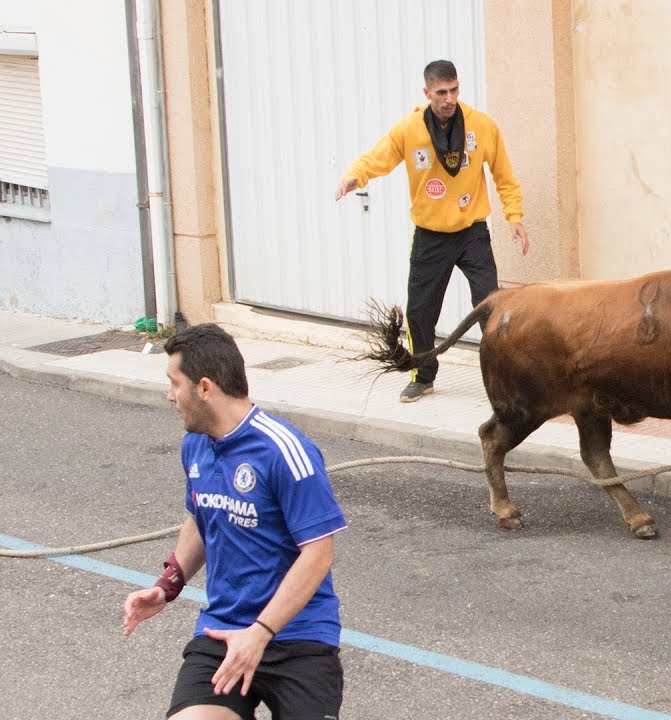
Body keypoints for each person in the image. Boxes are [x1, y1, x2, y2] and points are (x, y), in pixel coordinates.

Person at [122, 324, 348, 718]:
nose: (169, 395)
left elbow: (318, 554)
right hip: (223, 632)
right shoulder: (195, 443)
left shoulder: (285, 451)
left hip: (298, 638)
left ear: (205, 388)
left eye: (175, 383)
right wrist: (167, 586)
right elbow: (200, 519)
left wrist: (260, 634)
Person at [336, 59, 529, 403]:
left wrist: (514, 216)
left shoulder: (481, 126)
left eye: (454, 89)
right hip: (431, 235)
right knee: (419, 311)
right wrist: (354, 176)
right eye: (441, 92)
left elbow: (504, 175)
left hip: (472, 232)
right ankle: (424, 375)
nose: (449, 98)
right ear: (427, 93)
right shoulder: (409, 130)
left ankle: (504, 380)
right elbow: (376, 158)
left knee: (490, 305)